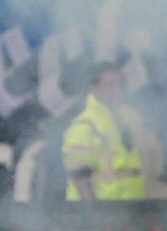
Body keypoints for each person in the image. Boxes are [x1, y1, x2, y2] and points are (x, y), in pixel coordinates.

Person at [62, 60, 146, 200]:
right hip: (104, 209)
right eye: (111, 85)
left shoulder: (128, 117)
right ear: (94, 87)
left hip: (132, 206)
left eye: (120, 85)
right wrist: (95, 214)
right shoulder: (85, 124)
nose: (118, 91)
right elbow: (79, 175)